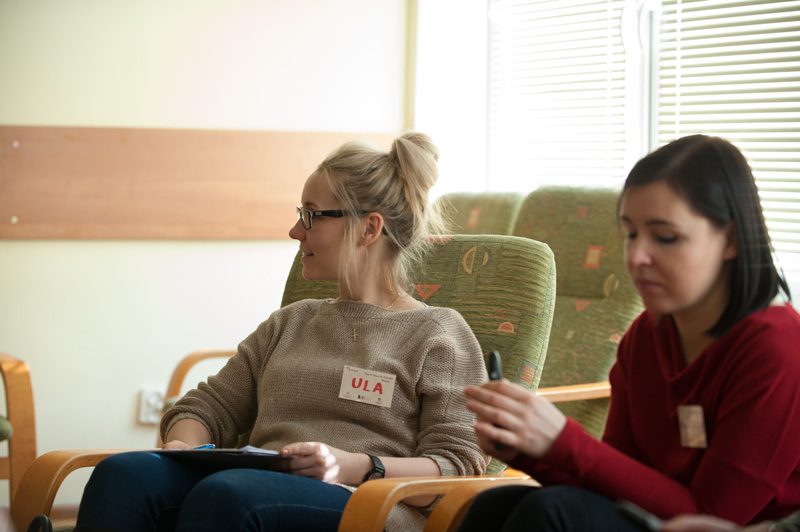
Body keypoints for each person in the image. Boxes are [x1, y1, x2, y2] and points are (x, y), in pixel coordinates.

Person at [71, 132, 489, 532]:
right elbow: (207, 408)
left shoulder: (438, 335)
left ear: (369, 229)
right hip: (249, 487)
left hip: (365, 504)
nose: (295, 232)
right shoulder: (290, 323)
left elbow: (458, 468)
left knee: (228, 495)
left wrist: (354, 466)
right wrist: (184, 446)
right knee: (123, 474)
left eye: (311, 215)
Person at [454, 135, 800, 532]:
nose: (636, 257)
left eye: (665, 237)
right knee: (494, 506)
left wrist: (562, 439)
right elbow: (612, 482)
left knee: (552, 512)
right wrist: (527, 450)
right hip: (660, 519)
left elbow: (709, 518)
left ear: (731, 240)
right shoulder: (646, 336)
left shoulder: (777, 349)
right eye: (631, 234)